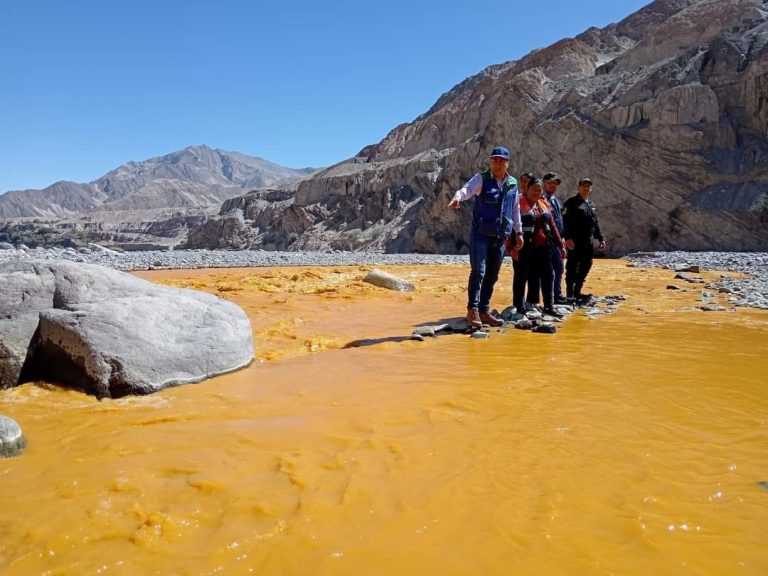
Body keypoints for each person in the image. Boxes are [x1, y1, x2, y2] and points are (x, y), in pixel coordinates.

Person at [448, 146, 524, 329]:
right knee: (478, 272)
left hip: (500, 236)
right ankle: (472, 310)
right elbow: (467, 189)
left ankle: (484, 310)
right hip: (480, 235)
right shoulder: (482, 178)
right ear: (490, 162)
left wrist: (519, 232)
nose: (497, 164)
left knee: (492, 275)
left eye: (501, 161)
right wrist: (457, 197)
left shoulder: (512, 183)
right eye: (494, 160)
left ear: (507, 163)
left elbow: (515, 210)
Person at [509, 178, 566, 318]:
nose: (536, 192)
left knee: (548, 275)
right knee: (521, 276)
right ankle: (519, 306)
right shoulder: (518, 203)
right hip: (524, 246)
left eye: (539, 190)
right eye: (533, 189)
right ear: (527, 189)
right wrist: (511, 248)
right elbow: (511, 226)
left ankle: (549, 306)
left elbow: (552, 225)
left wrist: (560, 244)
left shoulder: (544, 204)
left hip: (544, 246)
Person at [562, 177, 606, 301]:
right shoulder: (571, 202)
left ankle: (577, 291)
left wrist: (601, 239)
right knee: (572, 266)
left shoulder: (591, 205)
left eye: (588, 186)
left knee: (587, 264)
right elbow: (564, 222)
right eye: (583, 185)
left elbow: (595, 223)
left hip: (588, 241)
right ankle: (569, 294)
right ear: (578, 187)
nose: (586, 188)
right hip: (574, 241)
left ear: (591, 189)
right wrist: (568, 238)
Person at [542, 172, 568, 305]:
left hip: (557, 242)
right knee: (547, 272)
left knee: (559, 268)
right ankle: (548, 299)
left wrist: (562, 239)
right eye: (550, 182)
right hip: (546, 242)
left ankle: (557, 296)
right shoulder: (540, 200)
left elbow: (559, 221)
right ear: (544, 183)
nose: (553, 185)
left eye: (555, 183)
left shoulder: (556, 201)